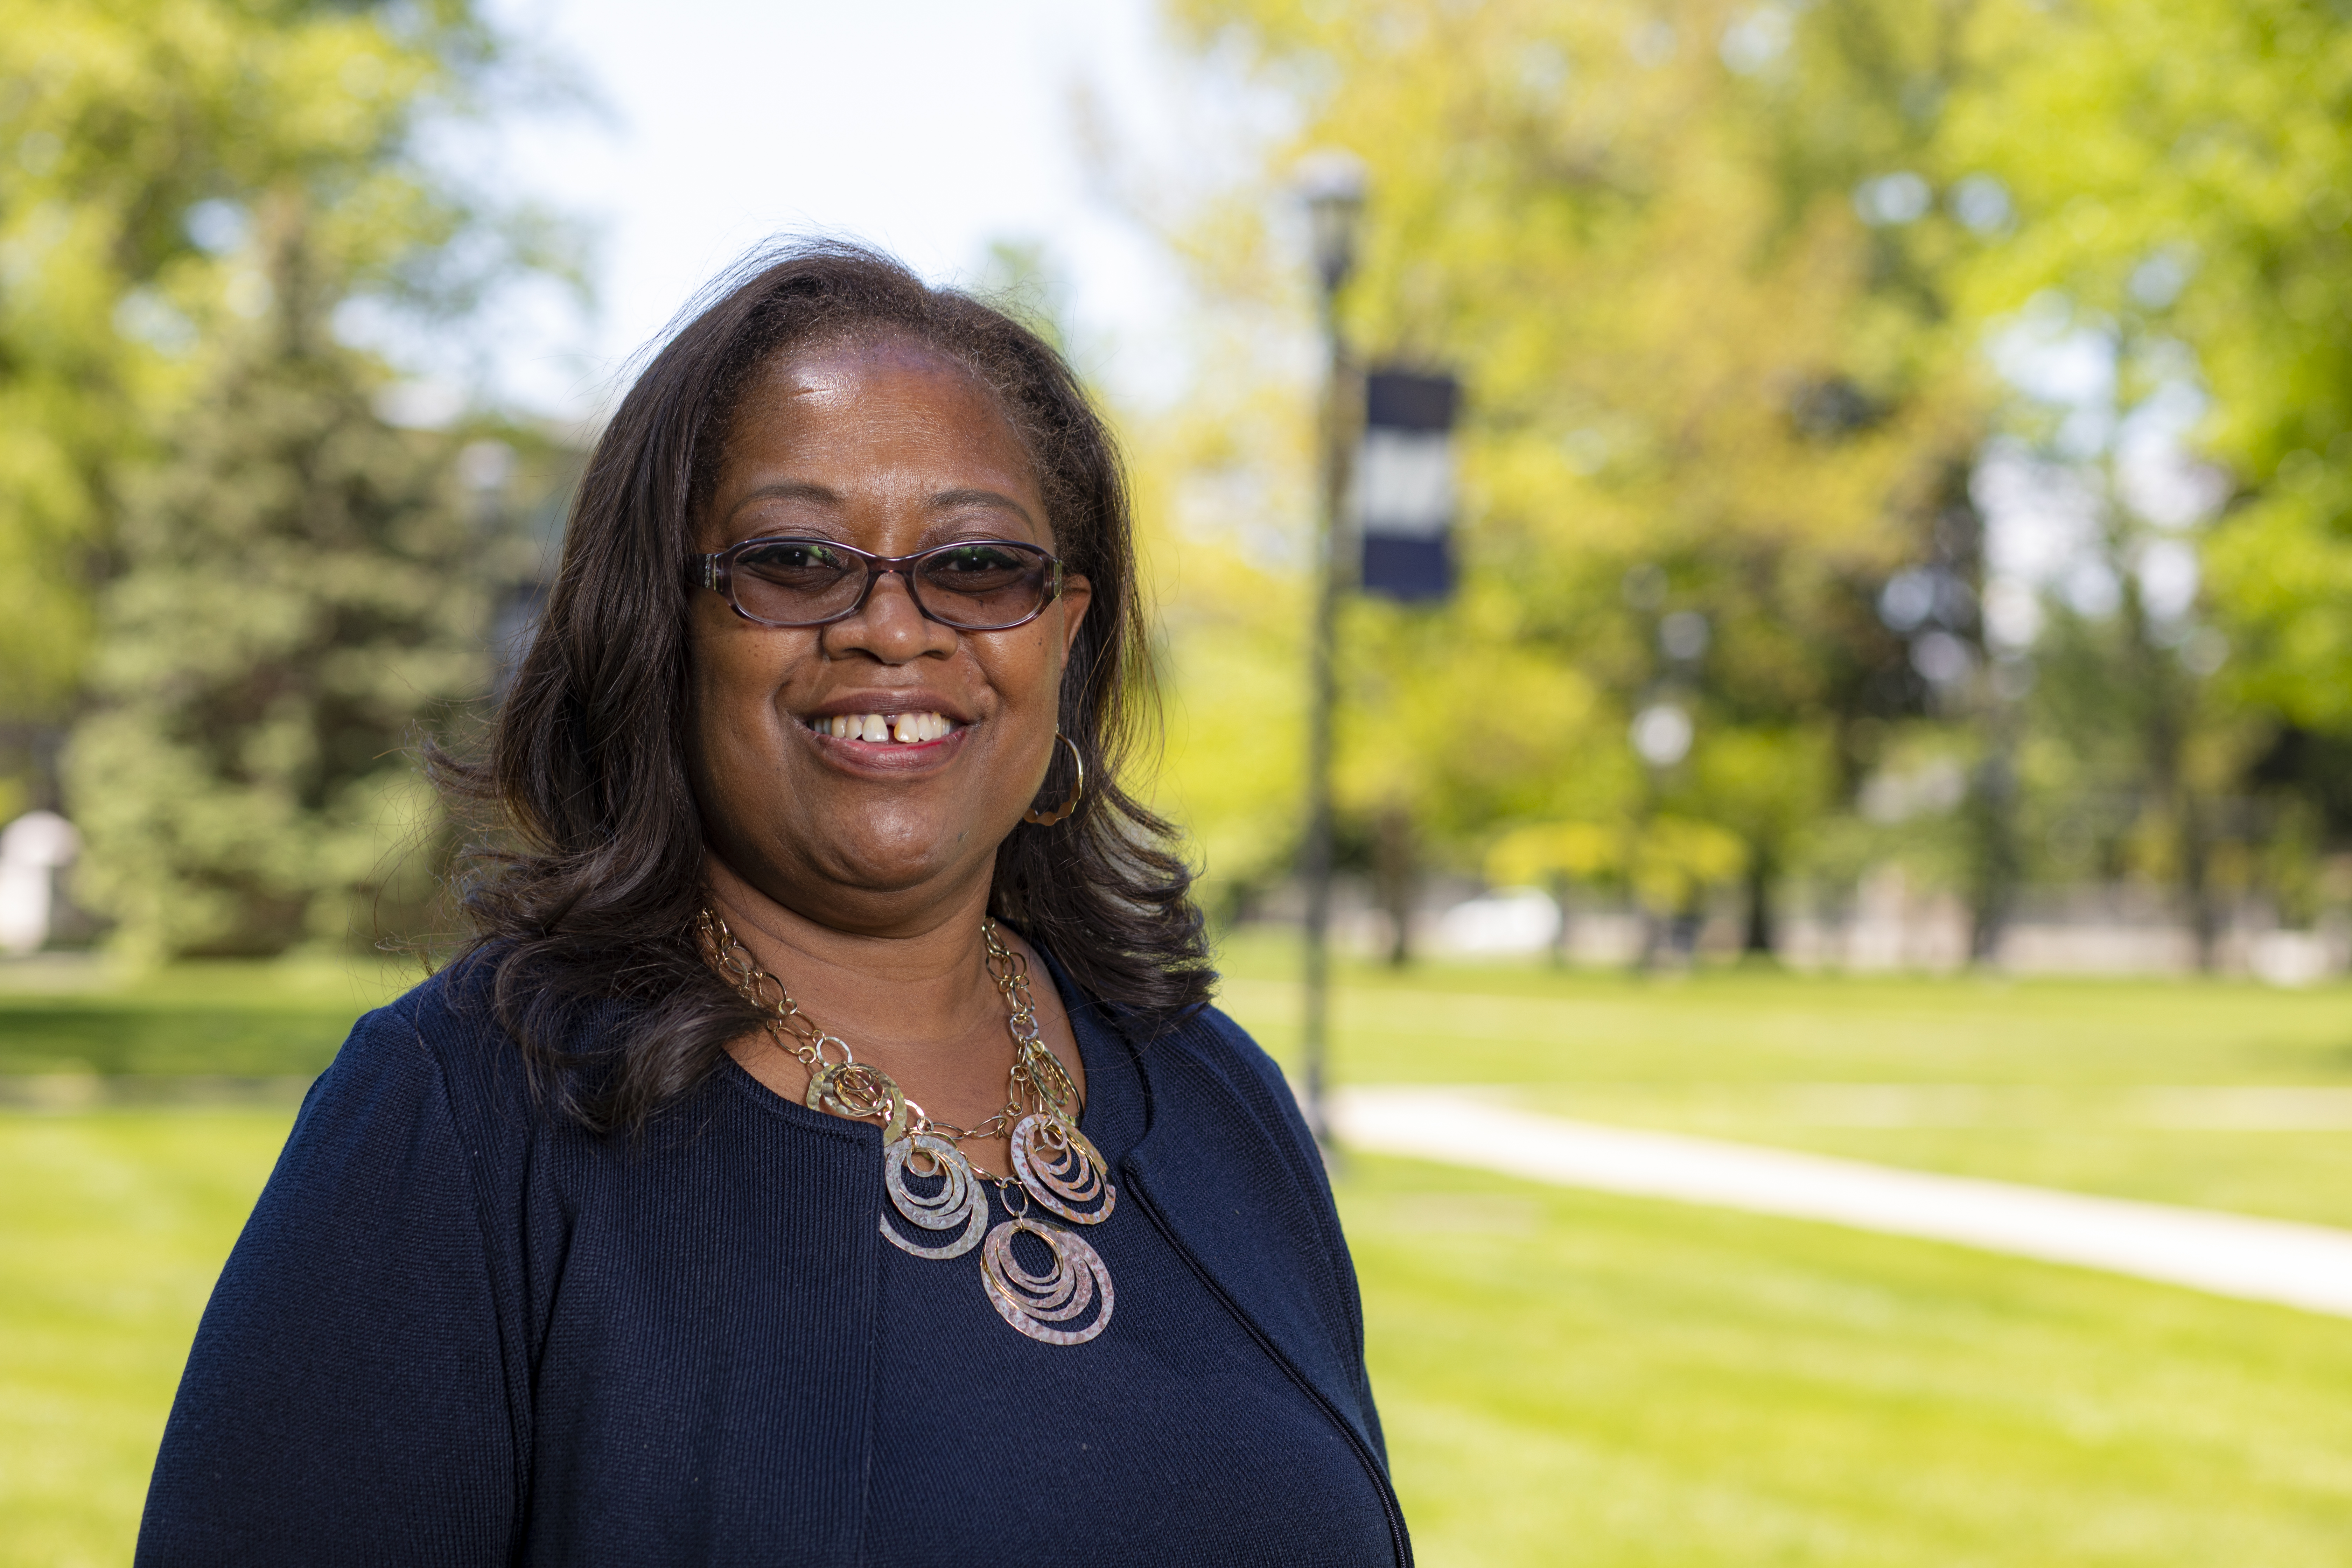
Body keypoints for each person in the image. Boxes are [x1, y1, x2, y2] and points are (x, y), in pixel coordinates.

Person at [136, 242, 1407, 1567]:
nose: (893, 627)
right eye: (796, 561)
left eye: (977, 567)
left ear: (1065, 632)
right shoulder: (462, 1122)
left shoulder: (1212, 1096)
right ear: (662, 624)